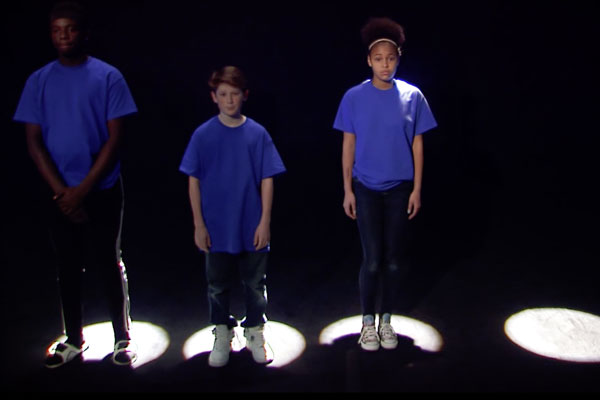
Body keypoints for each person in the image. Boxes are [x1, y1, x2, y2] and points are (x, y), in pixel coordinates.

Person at [13, 1, 138, 367]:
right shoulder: (38, 80)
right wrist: (62, 193)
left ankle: (122, 337)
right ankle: (73, 338)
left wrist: (82, 190)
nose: (63, 35)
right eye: (56, 30)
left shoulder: (108, 77)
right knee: (67, 264)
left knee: (107, 261)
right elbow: (33, 141)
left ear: (83, 33)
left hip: (101, 189)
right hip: (58, 193)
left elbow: (115, 141)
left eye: (70, 28)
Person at [333, 17, 438, 351]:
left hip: (399, 189)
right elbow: (348, 144)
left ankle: (387, 320)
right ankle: (367, 323)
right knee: (372, 259)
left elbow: (418, 145)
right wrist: (348, 188)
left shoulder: (413, 96)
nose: (384, 64)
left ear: (398, 58)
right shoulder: (353, 97)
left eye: (390, 58)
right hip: (365, 187)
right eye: (378, 58)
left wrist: (417, 189)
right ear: (368, 60)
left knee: (393, 260)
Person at [180, 66, 286, 367]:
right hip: (216, 226)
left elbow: (268, 178)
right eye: (223, 94)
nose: (229, 100)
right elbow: (194, 180)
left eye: (234, 94)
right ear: (214, 97)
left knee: (255, 283)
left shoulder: (257, 133)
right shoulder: (203, 135)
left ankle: (255, 330)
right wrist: (198, 224)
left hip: (251, 224)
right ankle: (222, 331)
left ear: (245, 96)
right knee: (217, 285)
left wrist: (264, 221)